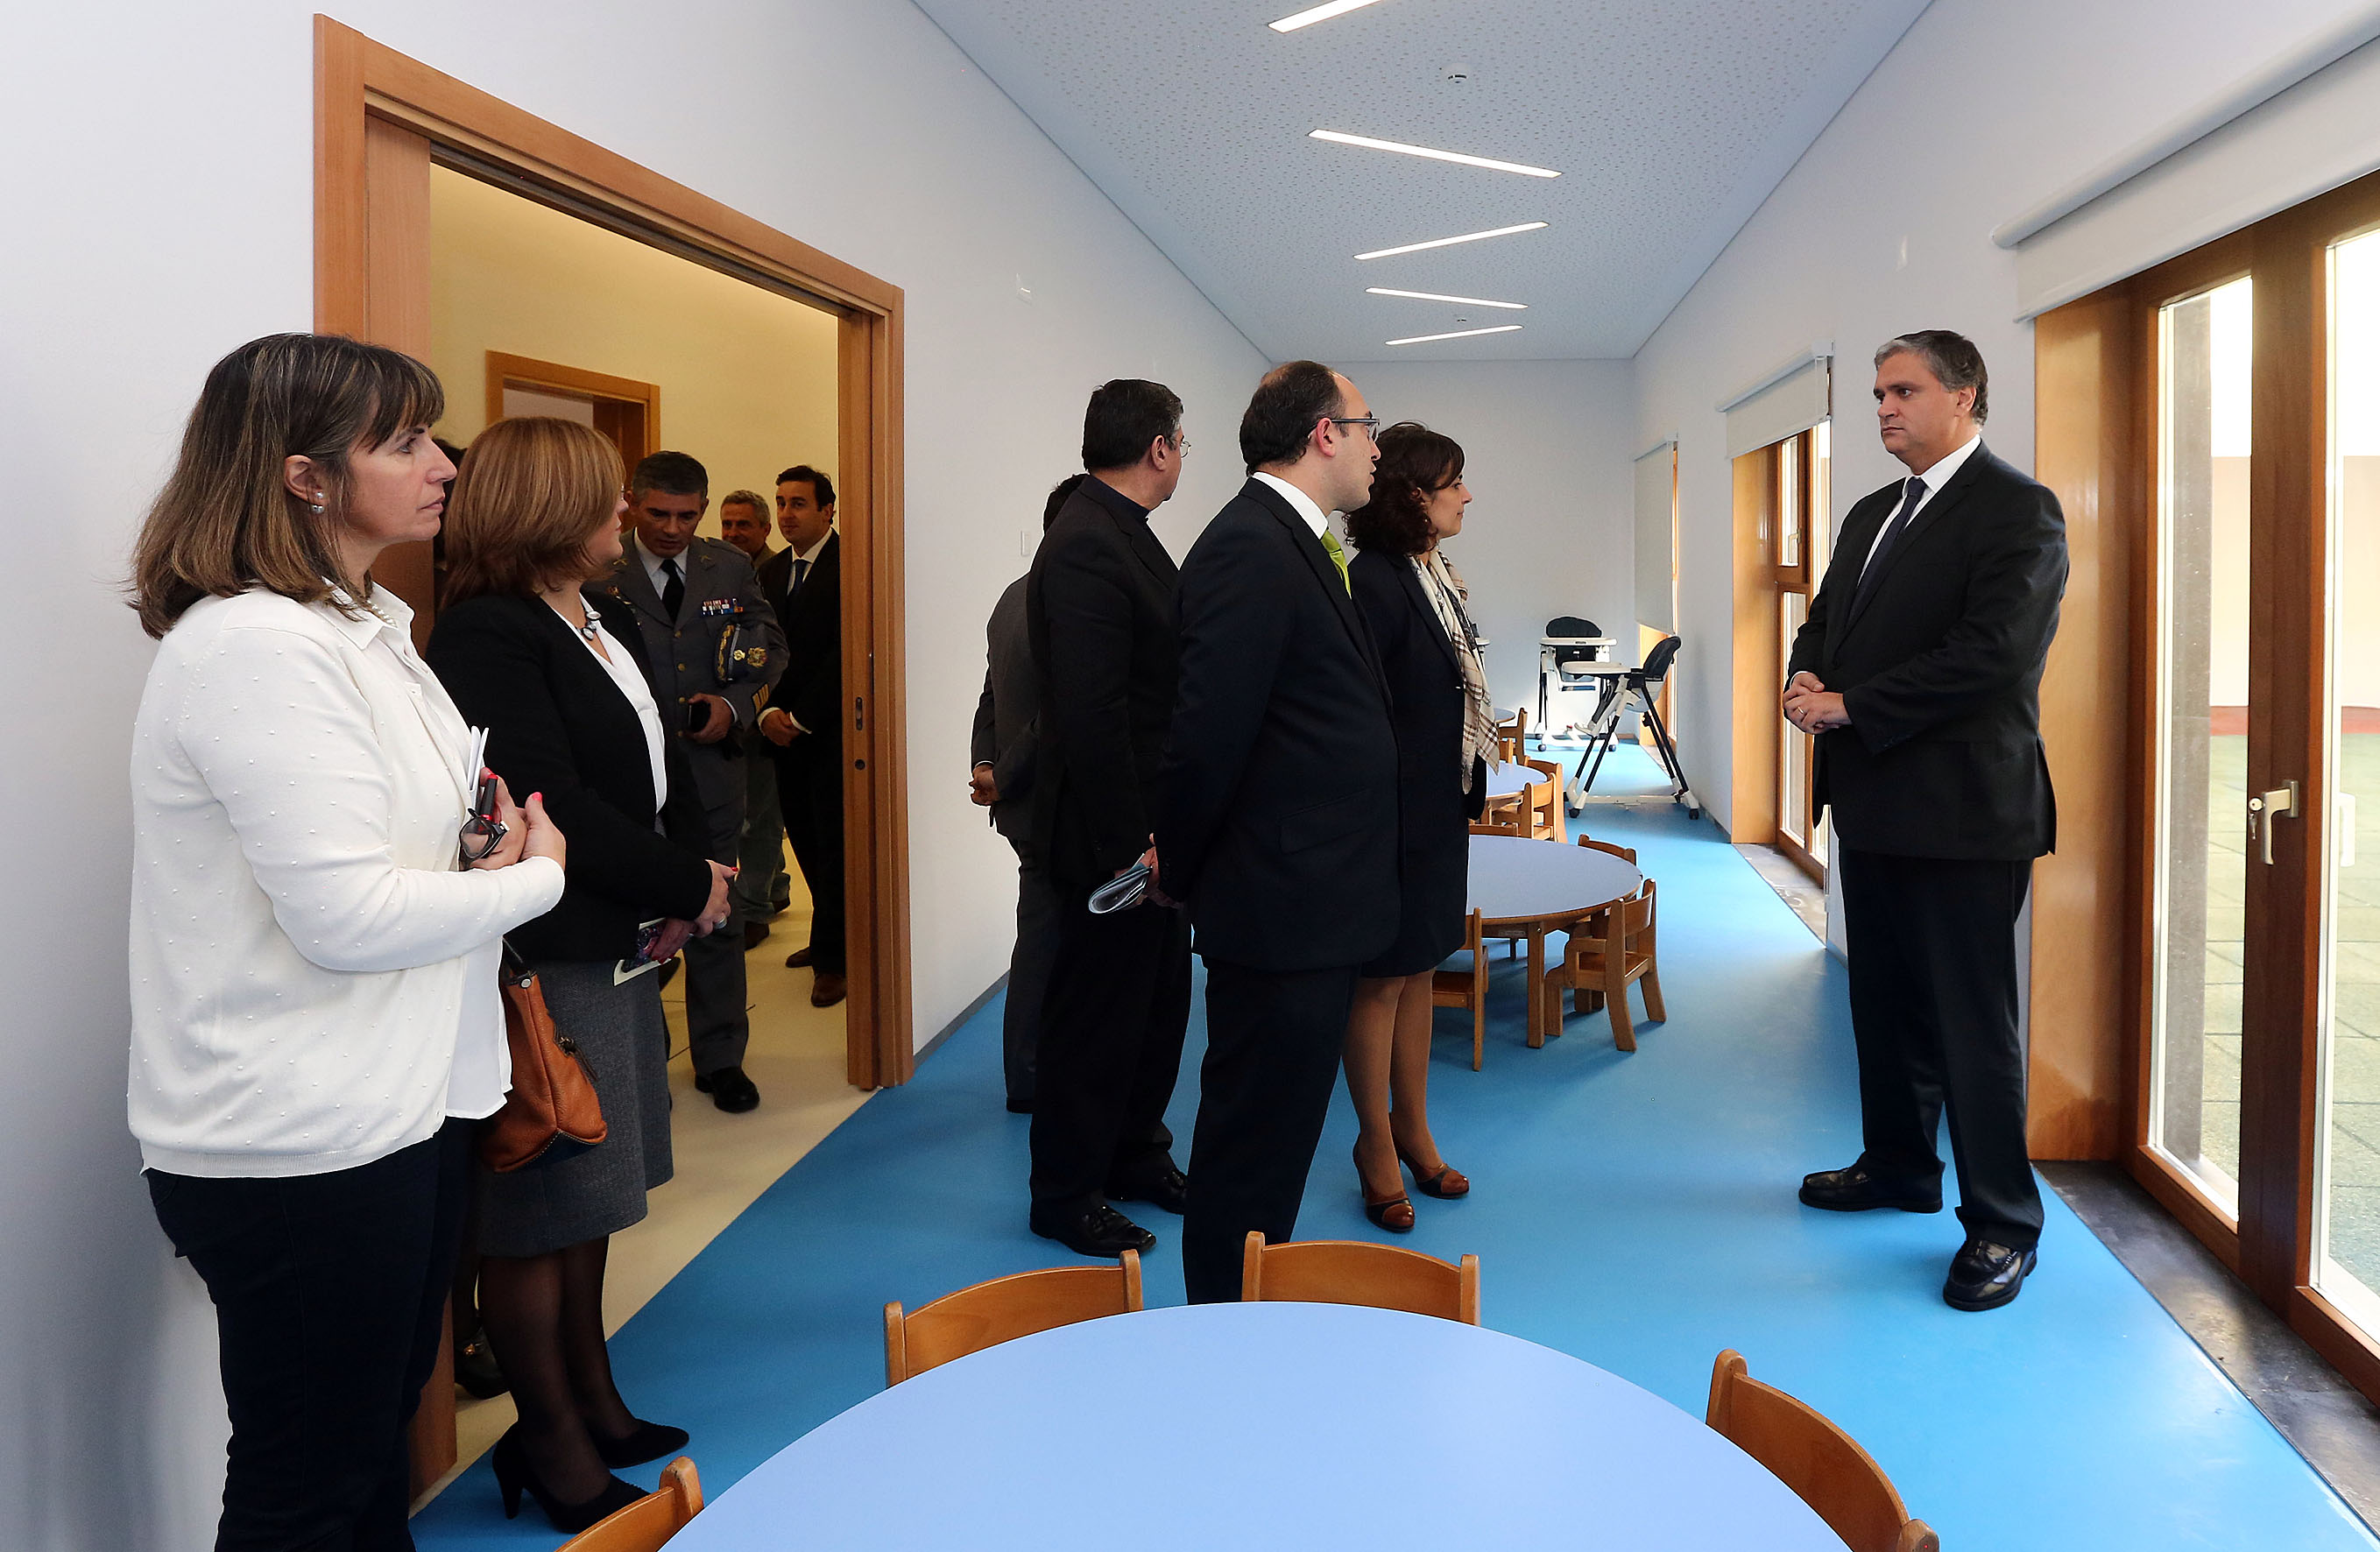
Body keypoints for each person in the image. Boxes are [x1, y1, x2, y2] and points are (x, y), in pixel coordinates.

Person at [127, 333, 568, 1551]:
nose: (444, 464)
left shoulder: (363, 627)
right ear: (303, 476)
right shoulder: (257, 647)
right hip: (301, 1141)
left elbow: (390, 852)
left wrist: (475, 853)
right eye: (406, 441)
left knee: (365, 1453)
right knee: (309, 1488)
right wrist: (534, 880)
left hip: (396, 1107)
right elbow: (349, 919)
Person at [428, 416, 735, 1530]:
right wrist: (683, 880)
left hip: (617, 935)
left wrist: (695, 875)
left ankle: (592, 1396)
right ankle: (547, 1441)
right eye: (605, 494)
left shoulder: (596, 613)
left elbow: (657, 763)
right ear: (549, 505)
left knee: (593, 1195)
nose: (624, 510)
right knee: (541, 1201)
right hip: (551, 953)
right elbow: (556, 800)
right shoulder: (488, 633)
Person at [1786, 330, 2067, 1313]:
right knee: (1885, 1001)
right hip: (1871, 801)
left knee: (1969, 1024)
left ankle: (2002, 1224)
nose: (1883, 409)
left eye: (1902, 390)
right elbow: (1825, 619)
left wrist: (1850, 705)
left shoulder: (2017, 510)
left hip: (1963, 812)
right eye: (1876, 394)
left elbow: (1992, 654)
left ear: (1963, 395)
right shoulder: (1871, 512)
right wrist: (1806, 674)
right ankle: (1899, 1165)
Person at [1156, 361, 1397, 1303]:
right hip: (1278, 908)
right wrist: (1180, 866)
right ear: (1323, 434)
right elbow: (1205, 738)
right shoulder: (1249, 547)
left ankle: (1249, 1317)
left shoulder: (1291, 540)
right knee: (1251, 1147)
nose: (1376, 448)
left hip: (1311, 902)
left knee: (1279, 1142)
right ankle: (1222, 1332)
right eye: (1367, 427)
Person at [1026, 386, 1196, 1258]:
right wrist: (1135, 849)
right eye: (1182, 443)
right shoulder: (1089, 540)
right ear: (1158, 448)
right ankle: (1065, 1193)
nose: (1182, 457)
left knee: (1155, 1008)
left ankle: (1135, 1153)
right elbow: (1092, 717)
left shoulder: (1122, 530)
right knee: (1095, 1021)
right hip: (1113, 839)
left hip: (1152, 825)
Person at [591, 452, 785, 1112]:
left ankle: (721, 1058)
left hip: (710, 773)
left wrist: (735, 705)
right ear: (631, 502)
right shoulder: (599, 565)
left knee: (718, 914)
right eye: (658, 514)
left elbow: (769, 647)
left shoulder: (726, 565)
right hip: (630, 777)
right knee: (642, 919)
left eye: (686, 516)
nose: (673, 529)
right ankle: (648, 1058)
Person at [1341, 423, 1490, 1231]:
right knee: (1379, 981)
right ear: (1412, 495)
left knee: (1421, 967)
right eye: (1453, 481)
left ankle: (1414, 1129)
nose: (1466, 495)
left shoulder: (1430, 573)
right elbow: (1363, 712)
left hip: (1435, 809)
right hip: (1389, 816)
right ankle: (1373, 1146)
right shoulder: (1374, 580)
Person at [969, 474, 1082, 1114]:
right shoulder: (1060, 601)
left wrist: (986, 764)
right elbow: (1060, 713)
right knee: (1048, 946)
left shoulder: (1013, 595)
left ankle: (1031, 1073)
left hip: (1021, 802)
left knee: (1042, 939)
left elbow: (990, 695)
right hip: (1050, 802)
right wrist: (1005, 773)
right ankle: (1033, 1077)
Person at [757, 464, 846, 1007]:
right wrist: (768, 711)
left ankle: (837, 960)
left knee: (834, 846)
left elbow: (846, 651)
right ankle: (824, 938)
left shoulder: (850, 564)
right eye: (781, 502)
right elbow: (760, 649)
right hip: (779, 731)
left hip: (833, 733)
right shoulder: (770, 572)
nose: (787, 514)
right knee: (804, 841)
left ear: (827, 510)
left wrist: (801, 717)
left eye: (798, 503)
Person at [717, 488, 795, 944]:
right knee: (758, 811)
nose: (732, 533)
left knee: (759, 817)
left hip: (770, 712)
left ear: (764, 529)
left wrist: (767, 709)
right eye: (726, 524)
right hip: (733, 711)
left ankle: (754, 910)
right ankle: (776, 887)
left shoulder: (775, 574)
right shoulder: (721, 572)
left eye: (743, 524)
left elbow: (778, 650)